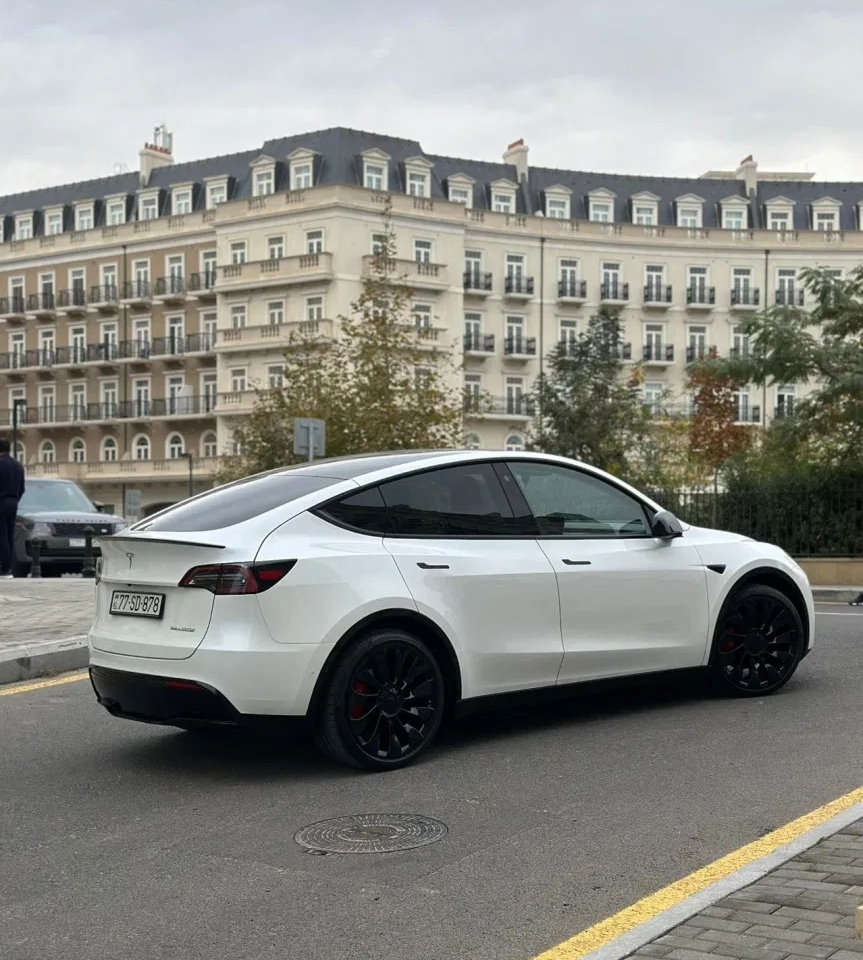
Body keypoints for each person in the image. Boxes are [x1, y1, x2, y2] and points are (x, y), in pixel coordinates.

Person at [0, 438, 25, 579]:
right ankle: (8, 567)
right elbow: (22, 488)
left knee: (1, 535)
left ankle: (3, 568)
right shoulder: (18, 466)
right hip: (13, 502)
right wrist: (15, 499)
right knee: (9, 535)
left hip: (2, 501)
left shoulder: (1, 465)